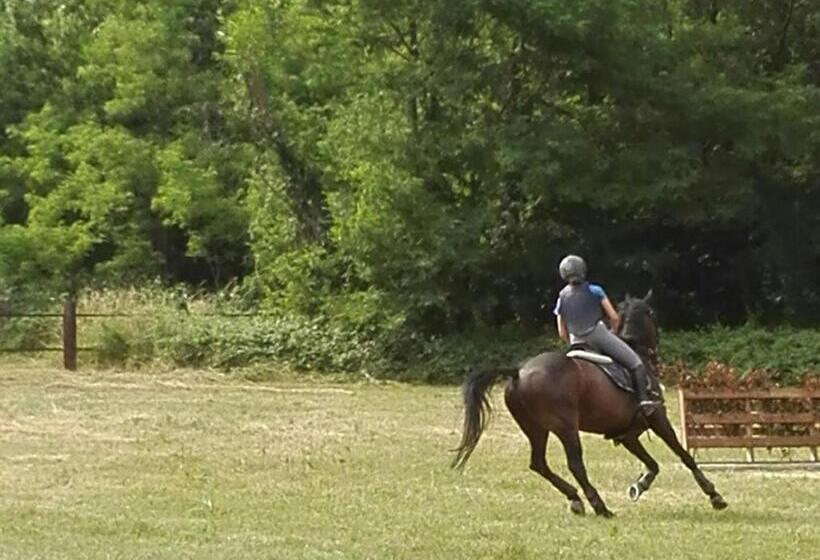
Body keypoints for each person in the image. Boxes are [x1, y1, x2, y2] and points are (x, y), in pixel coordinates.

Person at [553, 254, 659, 415]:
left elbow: (562, 332)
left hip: (576, 341)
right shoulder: (595, 290)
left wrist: (572, 341)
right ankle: (644, 401)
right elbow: (614, 317)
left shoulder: (561, 298)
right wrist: (613, 333)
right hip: (598, 335)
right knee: (636, 363)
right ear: (583, 270)